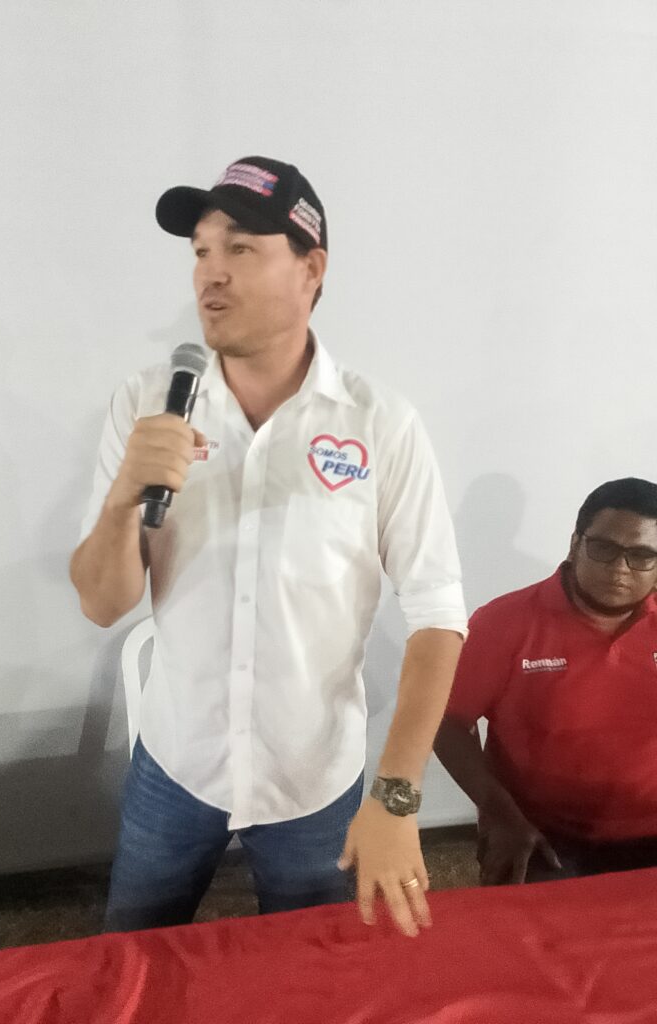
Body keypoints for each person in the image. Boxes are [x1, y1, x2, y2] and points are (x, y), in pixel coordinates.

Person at [70, 156, 466, 936]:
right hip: (177, 765)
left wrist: (396, 796)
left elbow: (437, 613)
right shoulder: (147, 405)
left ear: (311, 269)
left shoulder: (379, 423)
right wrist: (123, 500)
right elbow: (102, 603)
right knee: (134, 961)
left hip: (312, 781)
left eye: (240, 248)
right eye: (200, 252)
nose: (210, 274)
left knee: (313, 974)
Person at [434, 477, 657, 885]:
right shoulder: (503, 622)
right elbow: (448, 722)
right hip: (538, 832)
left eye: (642, 556)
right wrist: (499, 814)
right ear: (575, 544)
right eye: (604, 548)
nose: (619, 568)